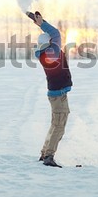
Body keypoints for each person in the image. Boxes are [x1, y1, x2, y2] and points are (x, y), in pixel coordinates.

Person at [32, 12, 72, 168]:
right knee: (59, 125)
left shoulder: (42, 54)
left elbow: (53, 35)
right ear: (49, 42)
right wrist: (42, 23)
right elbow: (55, 33)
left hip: (55, 94)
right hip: (59, 95)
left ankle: (44, 153)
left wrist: (41, 24)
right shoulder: (53, 50)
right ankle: (49, 156)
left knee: (55, 124)